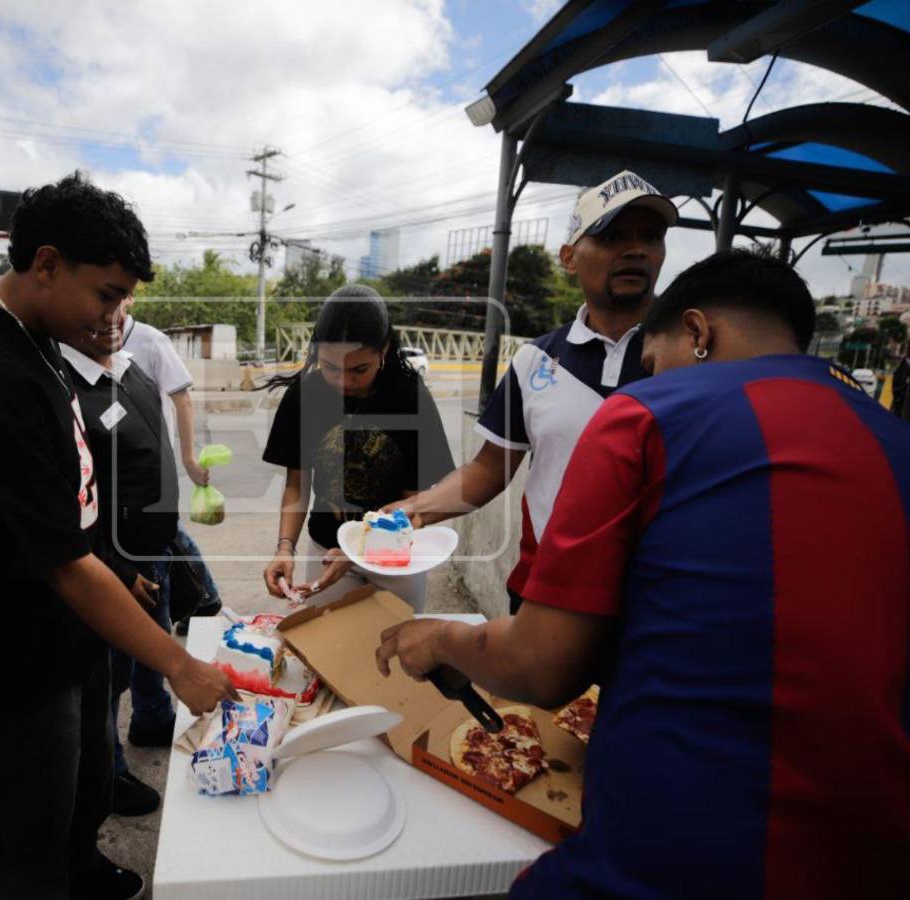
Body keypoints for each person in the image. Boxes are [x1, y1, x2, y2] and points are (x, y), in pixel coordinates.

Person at [376, 250, 910, 899]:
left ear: (697, 332)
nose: (649, 379)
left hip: (670, 857)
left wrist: (435, 639)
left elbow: (542, 667)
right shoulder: (894, 440)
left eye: (652, 366)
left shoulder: (648, 413)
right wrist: (410, 510)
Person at [0, 172, 236, 900]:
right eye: (108, 293)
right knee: (21, 823)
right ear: (47, 264)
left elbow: (66, 506)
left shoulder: (37, 342)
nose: (116, 314)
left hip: (67, 628)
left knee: (82, 780)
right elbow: (59, 559)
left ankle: (81, 866)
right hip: (11, 652)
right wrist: (178, 665)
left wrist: (117, 576)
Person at [394, 171, 676, 612]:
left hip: (657, 604)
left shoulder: (695, 358)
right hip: (546, 596)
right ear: (570, 257)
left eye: (650, 236)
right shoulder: (534, 362)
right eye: (613, 236)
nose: (635, 249)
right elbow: (489, 470)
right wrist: (406, 516)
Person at [262, 284, 454, 611]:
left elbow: (415, 498)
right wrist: (284, 548)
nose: (343, 381)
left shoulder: (408, 396)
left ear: (384, 350)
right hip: (326, 550)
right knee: (327, 651)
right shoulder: (303, 397)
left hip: (396, 555)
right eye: (331, 367)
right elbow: (297, 485)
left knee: (396, 652)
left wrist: (360, 548)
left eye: (359, 370)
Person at [61, 314, 179, 818]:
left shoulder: (134, 371)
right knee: (109, 675)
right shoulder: (65, 389)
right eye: (99, 300)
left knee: (156, 642)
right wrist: (117, 570)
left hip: (156, 545)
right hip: (111, 564)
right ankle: (106, 773)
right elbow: (74, 502)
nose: (111, 316)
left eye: (122, 297)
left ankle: (152, 720)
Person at [120, 295, 223, 635]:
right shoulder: (89, 335)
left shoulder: (150, 340)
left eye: (118, 296)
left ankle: (204, 596)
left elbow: (182, 398)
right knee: (166, 533)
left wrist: (189, 458)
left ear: (130, 298)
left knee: (165, 533)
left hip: (154, 462)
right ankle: (205, 597)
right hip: (120, 464)